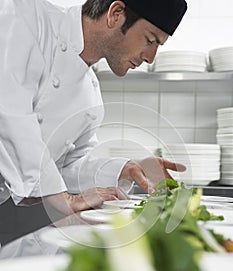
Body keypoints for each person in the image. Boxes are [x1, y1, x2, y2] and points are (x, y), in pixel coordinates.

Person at [0, 0, 187, 244]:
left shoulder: (90, 94)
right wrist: (63, 199)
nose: (150, 58)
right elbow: (8, 111)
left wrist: (126, 169)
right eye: (150, 40)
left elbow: (67, 166)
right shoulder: (23, 16)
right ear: (115, 14)